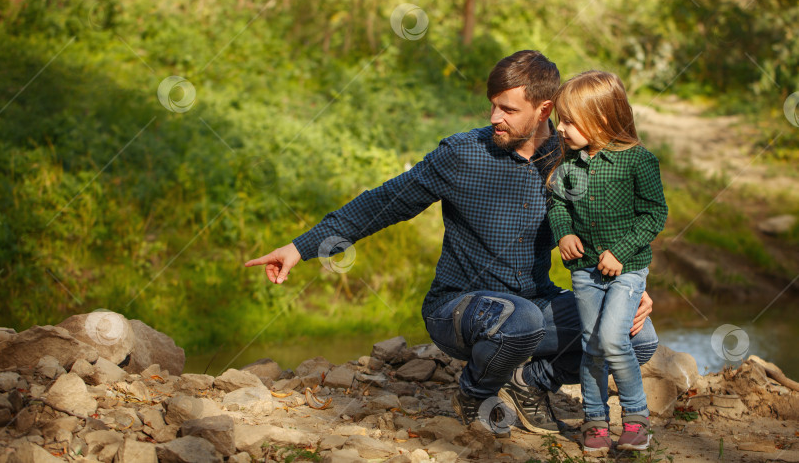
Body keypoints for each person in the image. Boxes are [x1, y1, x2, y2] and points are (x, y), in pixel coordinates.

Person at [244, 51, 659, 436]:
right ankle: (476, 392)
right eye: (492, 105)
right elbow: (383, 203)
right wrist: (300, 248)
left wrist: (628, 289)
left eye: (508, 109)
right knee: (521, 320)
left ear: (544, 110)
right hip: (459, 306)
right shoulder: (462, 154)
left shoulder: (569, 161)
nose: (495, 116)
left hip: (536, 301)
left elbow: (607, 230)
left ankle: (529, 382)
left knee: (638, 339)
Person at [548, 70, 668, 453]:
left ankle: (636, 419)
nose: (561, 129)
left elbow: (654, 215)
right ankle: (596, 422)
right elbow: (558, 204)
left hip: (628, 270)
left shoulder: (638, 161)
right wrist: (564, 232)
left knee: (613, 339)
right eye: (559, 121)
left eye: (568, 121)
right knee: (591, 345)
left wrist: (621, 251)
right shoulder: (569, 165)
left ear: (601, 119)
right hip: (584, 272)